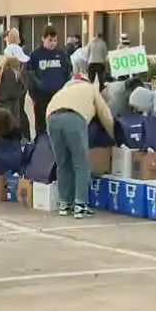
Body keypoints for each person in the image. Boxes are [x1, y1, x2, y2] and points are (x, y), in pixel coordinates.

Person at [45, 54, 114, 218]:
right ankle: (80, 205)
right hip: (74, 118)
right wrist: (114, 137)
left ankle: (64, 204)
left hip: (51, 118)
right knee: (81, 164)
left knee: (63, 163)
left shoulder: (65, 89)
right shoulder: (90, 88)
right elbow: (105, 115)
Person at [25, 25, 72, 135]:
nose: (52, 43)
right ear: (43, 39)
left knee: (58, 123)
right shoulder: (35, 55)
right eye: (50, 40)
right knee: (41, 126)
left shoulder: (61, 55)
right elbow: (30, 76)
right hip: (41, 97)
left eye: (55, 40)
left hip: (58, 96)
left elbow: (68, 73)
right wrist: (34, 94)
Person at [0, 51, 29, 139]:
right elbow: (15, 92)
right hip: (11, 107)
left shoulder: (1, 74)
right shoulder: (10, 74)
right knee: (11, 129)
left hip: (1, 105)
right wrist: (22, 84)